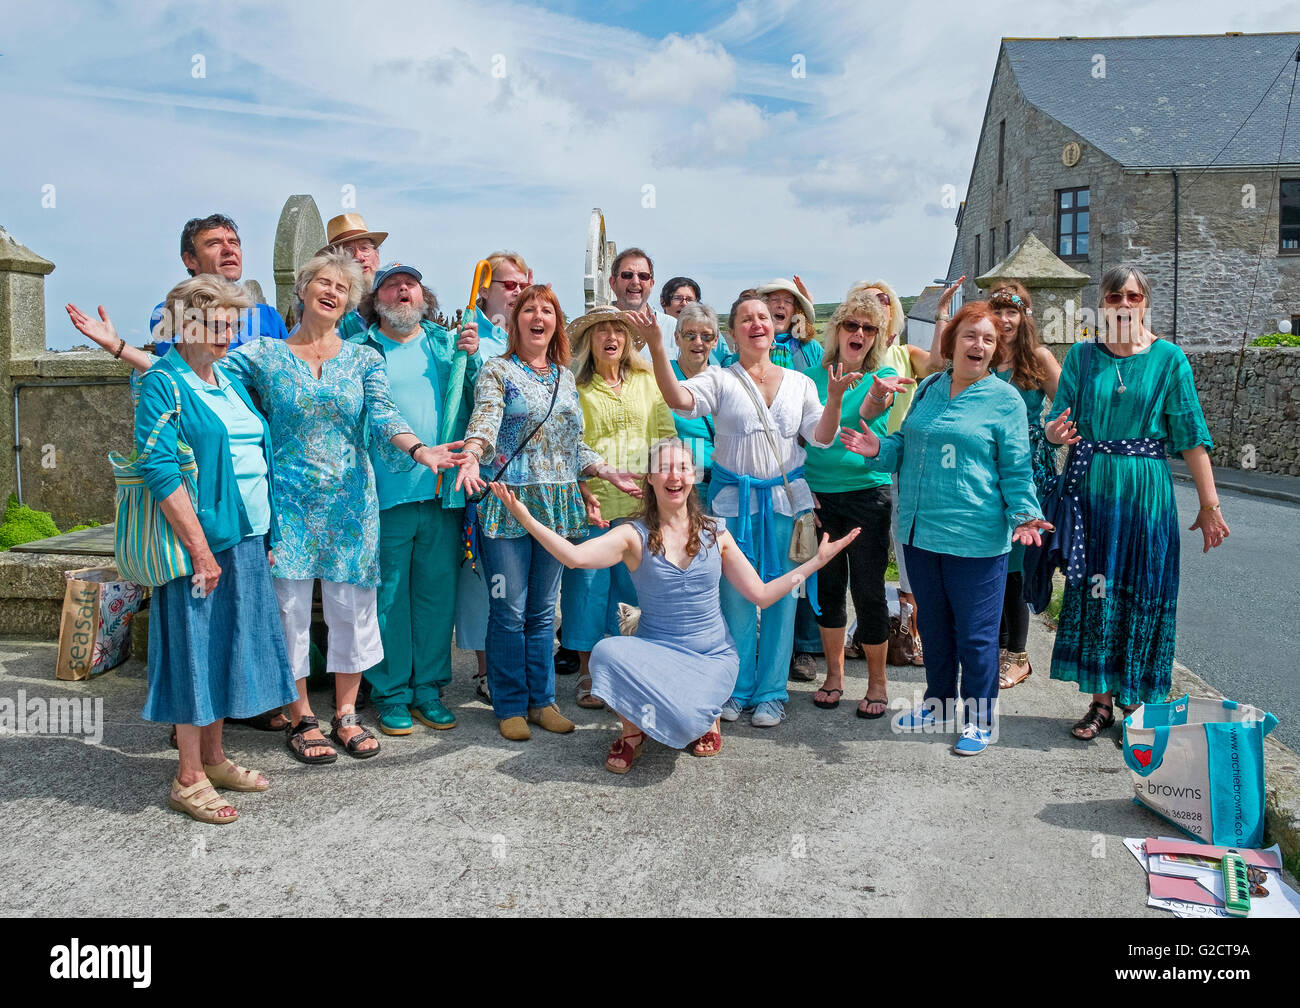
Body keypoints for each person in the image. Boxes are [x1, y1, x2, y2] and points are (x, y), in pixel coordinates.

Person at [98, 251, 467, 764]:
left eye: (343, 287)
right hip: (285, 507)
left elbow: (385, 417)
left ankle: (345, 714)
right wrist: (119, 348)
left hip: (350, 506)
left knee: (353, 613)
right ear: (303, 289)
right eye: (322, 281)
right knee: (288, 616)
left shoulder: (365, 359)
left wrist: (420, 450)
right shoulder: (264, 354)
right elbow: (194, 371)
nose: (332, 291)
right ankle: (302, 719)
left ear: (351, 302)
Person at [67, 277, 297, 823]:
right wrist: (199, 550)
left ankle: (215, 758)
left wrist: (264, 537)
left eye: (234, 323)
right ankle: (188, 775)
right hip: (201, 543)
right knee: (195, 653)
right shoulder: (164, 384)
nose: (229, 333)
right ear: (186, 325)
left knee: (224, 650)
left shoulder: (224, 380)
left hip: (244, 536)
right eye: (218, 323)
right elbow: (159, 467)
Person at [486, 439, 859, 772]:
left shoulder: (716, 532)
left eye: (682, 467)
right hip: (655, 652)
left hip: (711, 658)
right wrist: (525, 517)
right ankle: (633, 734)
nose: (674, 475)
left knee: (685, 719)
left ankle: (705, 717)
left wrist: (816, 562)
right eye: (663, 468)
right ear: (650, 479)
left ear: (693, 476)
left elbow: (760, 594)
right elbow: (575, 558)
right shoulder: (632, 536)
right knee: (606, 653)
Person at [841, 301, 1051, 756]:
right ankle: (937, 705)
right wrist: (880, 447)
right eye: (971, 336)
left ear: (995, 352)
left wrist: (1024, 513)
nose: (979, 345)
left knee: (976, 636)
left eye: (989, 340)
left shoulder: (1005, 399)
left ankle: (980, 720)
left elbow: (1017, 468)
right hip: (920, 533)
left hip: (975, 538)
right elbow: (907, 443)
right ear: (952, 342)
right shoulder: (931, 385)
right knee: (934, 629)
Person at [641, 292, 855, 729]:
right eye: (745, 319)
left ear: (773, 328)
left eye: (763, 317)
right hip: (730, 505)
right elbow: (678, 398)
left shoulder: (801, 384)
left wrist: (833, 399)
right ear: (733, 332)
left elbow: (822, 436)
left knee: (782, 598)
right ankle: (735, 687)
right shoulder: (720, 379)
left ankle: (772, 692)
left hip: (784, 503)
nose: (757, 323)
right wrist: (658, 347)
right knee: (734, 600)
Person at [1044, 266, 1229, 742]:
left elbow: (1191, 436)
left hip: (1146, 494)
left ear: (1145, 303)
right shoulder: (1083, 358)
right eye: (1113, 297)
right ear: (1101, 305)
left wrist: (1209, 505)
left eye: (1132, 296)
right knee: (1096, 591)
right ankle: (1101, 703)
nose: (1123, 304)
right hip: (1092, 489)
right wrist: (1052, 433)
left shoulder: (1169, 359)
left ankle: (1140, 706)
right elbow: (1055, 421)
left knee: (1144, 588)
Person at [453, 285, 641, 741]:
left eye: (547, 311)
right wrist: (473, 452)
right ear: (516, 321)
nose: (538, 317)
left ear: (556, 322)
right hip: (509, 503)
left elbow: (572, 445)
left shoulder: (563, 375)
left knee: (541, 611)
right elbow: (486, 418)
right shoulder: (497, 370)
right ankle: (510, 704)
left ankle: (542, 701)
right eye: (529, 310)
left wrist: (604, 471)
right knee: (509, 610)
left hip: (557, 506)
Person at [348, 262, 480, 736]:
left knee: (435, 597)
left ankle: (429, 689)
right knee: (388, 599)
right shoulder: (359, 349)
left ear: (424, 296)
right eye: (391, 284)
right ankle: (391, 693)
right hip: (383, 495)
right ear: (376, 299)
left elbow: (476, 398)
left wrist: (475, 357)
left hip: (441, 493)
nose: (403, 290)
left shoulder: (447, 345)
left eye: (411, 284)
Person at [560, 306, 676, 709]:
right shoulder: (575, 387)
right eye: (602, 331)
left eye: (618, 331)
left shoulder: (647, 381)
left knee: (633, 589)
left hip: (642, 504)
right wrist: (580, 490)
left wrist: (664, 491)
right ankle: (589, 673)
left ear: (628, 340)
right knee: (588, 590)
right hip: (592, 503)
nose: (611, 337)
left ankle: (626, 670)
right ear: (588, 342)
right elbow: (568, 445)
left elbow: (665, 436)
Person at [803, 292, 901, 719]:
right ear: (837, 329)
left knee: (868, 589)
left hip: (867, 495)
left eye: (868, 328)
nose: (858, 333)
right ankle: (835, 676)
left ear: (877, 336)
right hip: (820, 495)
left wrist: (877, 395)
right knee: (828, 590)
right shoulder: (808, 375)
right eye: (851, 325)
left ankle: (877, 682)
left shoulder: (884, 375)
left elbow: (869, 407)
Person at [850, 278, 944, 666]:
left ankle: (909, 634)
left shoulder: (905, 353)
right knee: (869, 555)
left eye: (885, 300)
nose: (879, 305)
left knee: (906, 548)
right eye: (869, 301)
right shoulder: (851, 355)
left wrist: (940, 316)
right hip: (859, 463)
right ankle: (867, 632)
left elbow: (939, 364)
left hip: (901, 463)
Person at [457, 250, 535, 697]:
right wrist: (465, 356)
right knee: (483, 579)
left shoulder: (529, 337)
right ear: (485, 288)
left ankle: (520, 666)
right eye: (508, 285)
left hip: (528, 475)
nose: (517, 292)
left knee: (525, 585)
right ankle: (487, 671)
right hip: (484, 473)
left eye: (523, 285)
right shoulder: (469, 333)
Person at [983, 282, 1061, 690]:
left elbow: (1072, 408)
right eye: (997, 311)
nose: (1004, 319)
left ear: (1025, 317)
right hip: (984, 474)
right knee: (990, 562)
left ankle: (1019, 656)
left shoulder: (1040, 359)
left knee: (1015, 566)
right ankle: (995, 649)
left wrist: (1050, 433)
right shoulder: (984, 356)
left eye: (1012, 311)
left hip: (1027, 474)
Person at [149, 214, 289, 355]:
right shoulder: (172, 311)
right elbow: (186, 368)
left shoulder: (270, 317)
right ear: (190, 260)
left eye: (234, 242)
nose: (229, 250)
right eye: (214, 243)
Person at [670, 303, 722, 483]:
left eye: (706, 336)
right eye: (690, 335)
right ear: (677, 338)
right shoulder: (661, 376)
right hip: (677, 483)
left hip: (720, 484)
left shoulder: (724, 381)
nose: (698, 342)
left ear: (715, 341)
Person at [315, 213, 388, 339]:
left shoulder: (397, 300)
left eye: (364, 248)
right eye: (348, 251)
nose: (359, 257)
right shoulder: (323, 315)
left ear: (377, 255)